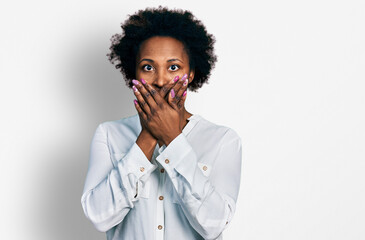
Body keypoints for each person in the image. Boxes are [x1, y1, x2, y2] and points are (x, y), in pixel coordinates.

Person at [81, 6, 242, 240]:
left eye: (173, 67)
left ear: (192, 73)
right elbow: (99, 216)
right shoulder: (108, 134)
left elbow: (214, 224)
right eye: (148, 67)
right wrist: (147, 136)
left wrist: (173, 140)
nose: (160, 80)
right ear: (133, 73)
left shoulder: (222, 140)